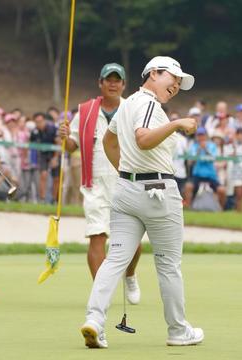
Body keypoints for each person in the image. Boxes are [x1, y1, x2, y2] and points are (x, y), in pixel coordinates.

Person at [81, 56, 204, 348]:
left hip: (126, 191)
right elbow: (144, 139)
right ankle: (178, 330)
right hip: (158, 192)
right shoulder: (149, 104)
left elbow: (108, 143)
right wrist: (176, 123)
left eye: (179, 84)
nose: (176, 85)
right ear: (154, 73)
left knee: (115, 260)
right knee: (168, 266)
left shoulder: (127, 104)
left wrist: (125, 172)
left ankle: (95, 321)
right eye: (172, 78)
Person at [59, 63, 142, 303]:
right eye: (109, 79)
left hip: (126, 181)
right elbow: (72, 145)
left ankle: (130, 274)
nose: (113, 83)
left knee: (133, 243)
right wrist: (65, 138)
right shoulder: (85, 111)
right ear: (100, 83)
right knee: (97, 236)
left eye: (118, 80)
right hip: (94, 182)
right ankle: (101, 295)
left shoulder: (132, 109)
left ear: (124, 85)